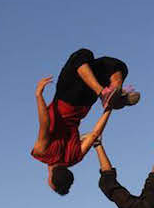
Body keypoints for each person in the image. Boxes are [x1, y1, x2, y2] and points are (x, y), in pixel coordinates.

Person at [31, 48, 140, 196]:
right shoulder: (42, 152)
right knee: (81, 56)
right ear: (50, 179)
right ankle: (105, 93)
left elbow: (95, 134)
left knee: (113, 66)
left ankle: (115, 89)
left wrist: (109, 109)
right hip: (67, 97)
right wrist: (39, 95)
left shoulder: (74, 158)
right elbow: (45, 122)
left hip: (85, 104)